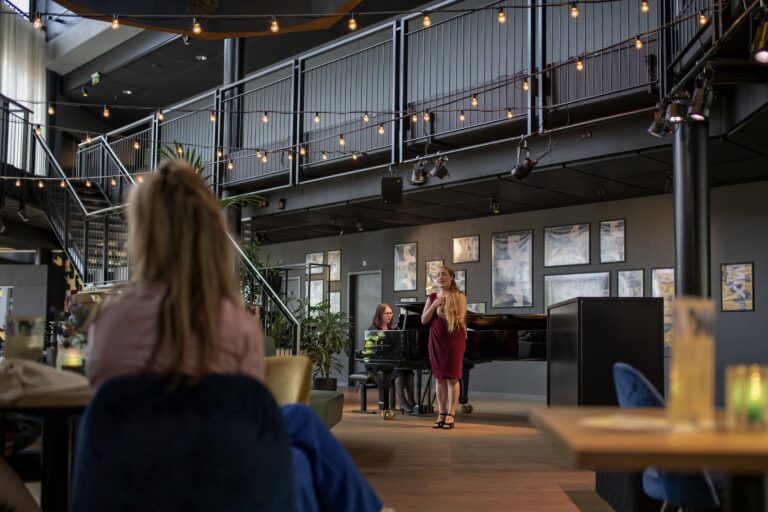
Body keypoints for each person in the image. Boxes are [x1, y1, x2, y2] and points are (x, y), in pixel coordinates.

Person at [85, 160, 384, 512]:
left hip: (130, 481)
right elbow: (244, 415)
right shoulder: (235, 323)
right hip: (226, 482)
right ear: (212, 235)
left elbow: (105, 400)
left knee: (299, 424)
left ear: (141, 234)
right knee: (302, 439)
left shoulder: (108, 320)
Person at [421, 266, 467, 430]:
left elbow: (461, 318)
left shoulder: (459, 295)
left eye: (444, 274)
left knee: (452, 377)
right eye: (438, 275)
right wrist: (434, 306)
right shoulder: (432, 297)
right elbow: (424, 320)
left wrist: (443, 314)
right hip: (436, 338)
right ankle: (441, 413)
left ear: (452, 277)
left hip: (454, 337)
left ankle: (451, 413)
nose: (440, 277)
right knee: (439, 377)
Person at [368, 303, 416, 413]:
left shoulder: (393, 329)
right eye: (387, 313)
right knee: (399, 370)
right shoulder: (373, 329)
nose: (390, 315)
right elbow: (371, 353)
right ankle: (403, 402)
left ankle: (412, 401)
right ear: (380, 315)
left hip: (392, 363)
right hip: (378, 366)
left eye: (391, 313)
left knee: (407, 370)